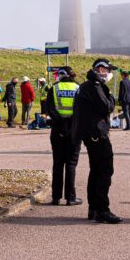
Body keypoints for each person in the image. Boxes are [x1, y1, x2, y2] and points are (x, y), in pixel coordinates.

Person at [72, 58, 122, 224]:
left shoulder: (85, 86)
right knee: (105, 170)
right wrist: (112, 98)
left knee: (96, 170)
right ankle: (102, 209)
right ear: (100, 69)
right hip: (96, 133)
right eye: (108, 70)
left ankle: (93, 208)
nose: (110, 74)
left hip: (89, 132)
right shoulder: (94, 86)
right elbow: (106, 107)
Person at [43, 67, 82, 206]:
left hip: (58, 129)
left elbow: (49, 108)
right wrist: (71, 122)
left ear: (61, 75)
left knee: (58, 163)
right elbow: (81, 109)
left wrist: (60, 120)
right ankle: (71, 198)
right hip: (74, 129)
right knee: (71, 164)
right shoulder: (78, 88)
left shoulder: (54, 88)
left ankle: (55, 197)